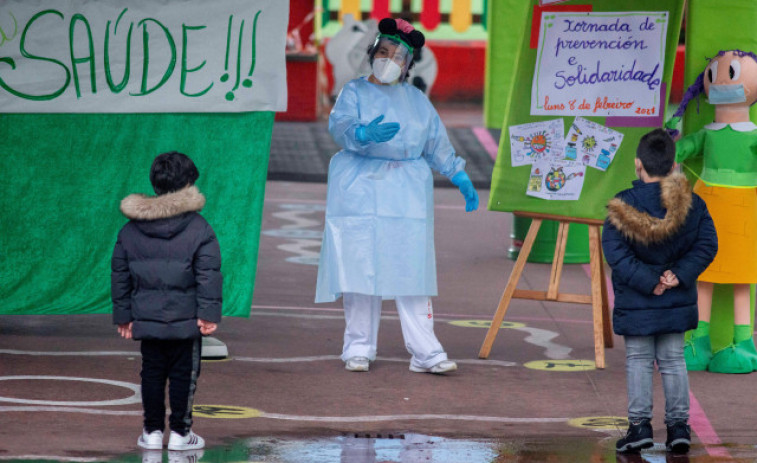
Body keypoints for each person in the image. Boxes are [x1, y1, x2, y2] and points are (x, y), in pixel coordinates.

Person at [315, 17, 479, 374]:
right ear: (373, 53)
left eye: (399, 56)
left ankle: (426, 351)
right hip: (359, 191)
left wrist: (458, 173)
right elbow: (339, 126)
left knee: (412, 270)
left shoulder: (417, 101)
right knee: (360, 267)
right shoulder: (353, 92)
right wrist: (361, 132)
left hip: (406, 194)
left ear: (408, 65)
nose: (389, 60)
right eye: (384, 52)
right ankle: (358, 346)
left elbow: (436, 143)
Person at [602, 129, 717, 454]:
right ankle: (678, 427)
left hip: (637, 300)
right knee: (673, 360)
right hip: (676, 299)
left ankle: (639, 427)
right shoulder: (693, 205)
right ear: (674, 165)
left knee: (638, 359)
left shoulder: (622, 206)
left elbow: (616, 254)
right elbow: (707, 244)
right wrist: (675, 275)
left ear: (638, 164)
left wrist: (649, 280)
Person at [112, 151, 222, 451]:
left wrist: (124, 315)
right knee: (184, 374)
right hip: (186, 321)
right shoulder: (201, 229)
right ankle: (180, 434)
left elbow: (120, 275)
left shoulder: (130, 230)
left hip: (146, 319)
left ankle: (151, 432)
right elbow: (208, 275)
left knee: (151, 371)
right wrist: (208, 313)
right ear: (188, 184)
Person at [666, 50, 757, 373]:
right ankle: (698, 338)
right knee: (703, 272)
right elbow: (685, 147)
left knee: (741, 278)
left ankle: (743, 341)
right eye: (713, 74)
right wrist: (670, 147)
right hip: (708, 208)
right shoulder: (708, 133)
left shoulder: (752, 136)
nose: (719, 81)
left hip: (743, 210)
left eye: (730, 72)